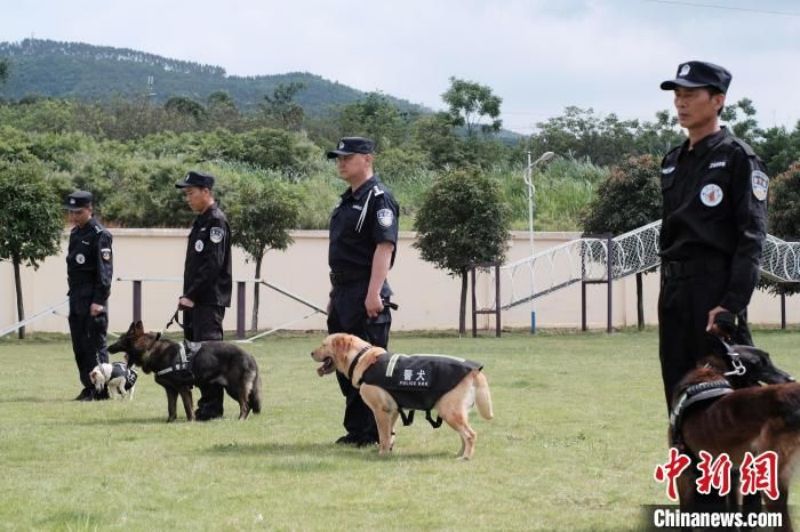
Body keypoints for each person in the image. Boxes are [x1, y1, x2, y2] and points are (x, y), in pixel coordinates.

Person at [658, 61, 768, 512]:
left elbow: (750, 237)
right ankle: (696, 504)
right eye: (676, 94)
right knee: (682, 398)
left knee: (725, 402)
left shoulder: (739, 157)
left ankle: (741, 506)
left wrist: (729, 305)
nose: (681, 101)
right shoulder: (672, 160)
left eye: (691, 93)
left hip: (713, 294)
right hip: (675, 294)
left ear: (718, 100)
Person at [326, 137, 399, 446]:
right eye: (338, 158)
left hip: (365, 289)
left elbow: (384, 247)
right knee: (345, 365)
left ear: (367, 159)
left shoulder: (378, 199)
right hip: (343, 291)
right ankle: (357, 430)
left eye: (348, 157)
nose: (341, 162)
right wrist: (333, 296)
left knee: (367, 365)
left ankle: (373, 432)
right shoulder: (347, 199)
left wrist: (373, 293)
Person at [175, 170, 232, 421]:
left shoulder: (216, 221)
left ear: (206, 192)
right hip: (195, 300)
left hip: (208, 301)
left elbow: (212, 265)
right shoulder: (201, 221)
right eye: (186, 193)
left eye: (191, 192)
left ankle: (212, 408)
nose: (188, 198)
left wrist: (192, 295)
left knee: (208, 355)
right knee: (195, 354)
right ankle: (204, 405)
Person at [64, 190, 113, 401]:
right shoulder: (76, 234)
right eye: (71, 212)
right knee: (80, 347)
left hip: (92, 299)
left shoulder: (100, 234)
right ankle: (88, 386)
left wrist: (99, 301)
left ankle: (101, 389)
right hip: (76, 298)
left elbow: (105, 271)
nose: (74, 216)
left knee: (94, 345)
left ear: (90, 210)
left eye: (79, 212)